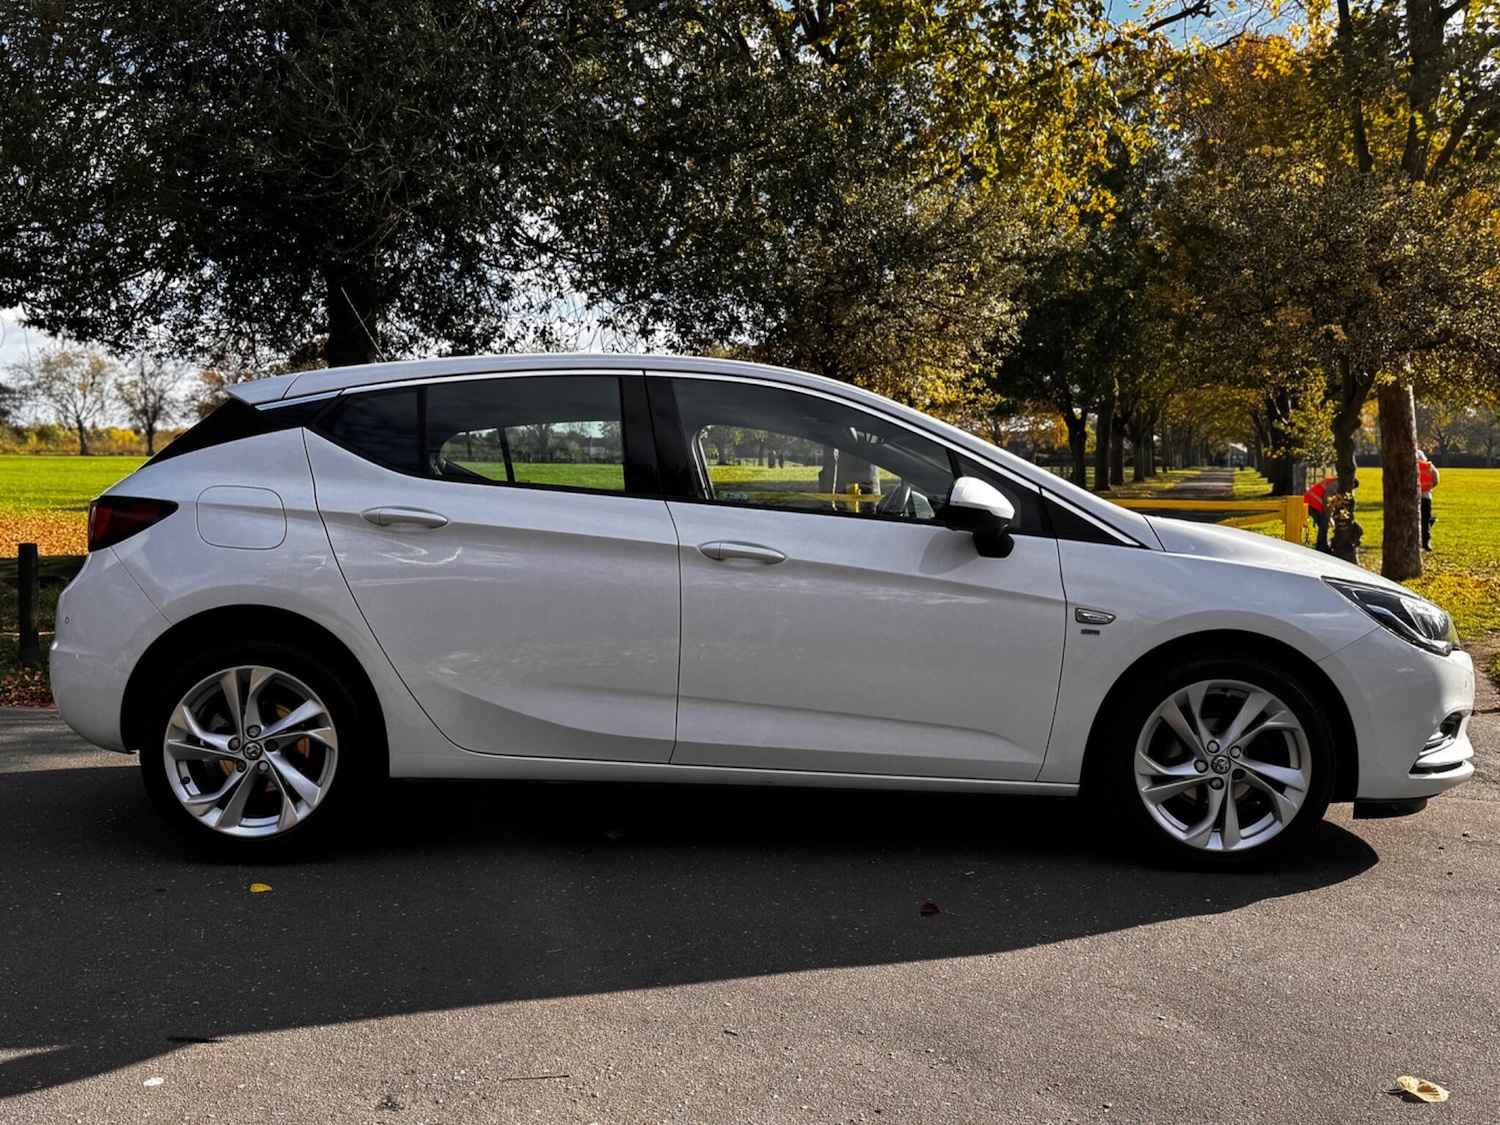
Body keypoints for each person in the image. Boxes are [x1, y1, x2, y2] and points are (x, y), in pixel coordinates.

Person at [1302, 474, 1338, 553]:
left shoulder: (1334, 482)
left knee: (1323, 524)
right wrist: (1328, 517)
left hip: (1312, 502)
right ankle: (1322, 547)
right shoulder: (1335, 484)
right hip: (1312, 503)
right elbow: (1327, 500)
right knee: (1324, 524)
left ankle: (1321, 545)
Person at [1417, 449, 1440, 551]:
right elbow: (1436, 479)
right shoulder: (1428, 466)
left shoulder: (1406, 466)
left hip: (1411, 497)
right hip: (1426, 496)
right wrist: (1428, 488)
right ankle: (1426, 542)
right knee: (1425, 520)